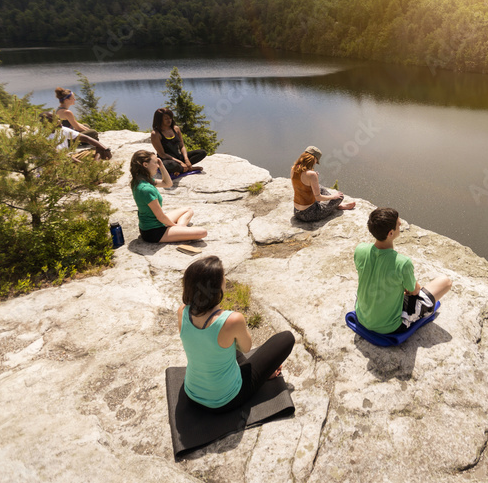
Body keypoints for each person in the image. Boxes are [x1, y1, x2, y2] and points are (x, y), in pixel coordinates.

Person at [179, 255, 295, 412]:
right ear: (217, 287)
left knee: (222, 347)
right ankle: (265, 374)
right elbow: (246, 348)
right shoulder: (232, 320)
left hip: (192, 394)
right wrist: (265, 370)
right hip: (226, 400)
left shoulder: (182, 312)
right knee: (286, 338)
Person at [354, 207, 452, 334]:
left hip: (362, 316)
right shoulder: (402, 263)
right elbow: (414, 291)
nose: (400, 223)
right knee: (446, 282)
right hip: (389, 326)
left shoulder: (360, 249)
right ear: (390, 233)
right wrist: (410, 287)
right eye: (398, 224)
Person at [129, 149, 207, 243]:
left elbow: (167, 183)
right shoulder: (145, 189)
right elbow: (160, 217)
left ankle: (180, 230)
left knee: (188, 210)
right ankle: (179, 230)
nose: (157, 165)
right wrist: (175, 226)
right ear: (145, 165)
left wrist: (162, 166)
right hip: (154, 232)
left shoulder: (141, 180)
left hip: (157, 224)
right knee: (203, 232)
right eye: (155, 163)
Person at [291, 146, 356, 223]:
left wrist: (314, 178)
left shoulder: (294, 168)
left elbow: (302, 187)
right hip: (310, 214)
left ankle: (334, 205)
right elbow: (318, 198)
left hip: (297, 212)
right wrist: (333, 196)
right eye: (316, 161)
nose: (315, 163)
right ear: (313, 159)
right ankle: (337, 205)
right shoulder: (312, 175)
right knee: (340, 197)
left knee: (319, 187)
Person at [150, 107, 206, 177]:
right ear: (160, 120)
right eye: (166, 119)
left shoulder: (176, 129)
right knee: (170, 165)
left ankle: (182, 168)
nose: (169, 120)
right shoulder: (156, 134)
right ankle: (186, 168)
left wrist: (186, 159)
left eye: (170, 118)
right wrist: (180, 162)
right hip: (167, 160)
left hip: (178, 156)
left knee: (202, 152)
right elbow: (162, 154)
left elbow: (182, 145)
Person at [39, 111, 111, 161]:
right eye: (55, 119)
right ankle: (92, 170)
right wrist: (80, 163)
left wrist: (105, 148)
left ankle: (93, 168)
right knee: (93, 157)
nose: (59, 120)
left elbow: (86, 138)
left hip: (69, 158)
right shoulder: (42, 137)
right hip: (56, 163)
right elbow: (59, 155)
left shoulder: (62, 129)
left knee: (99, 151)